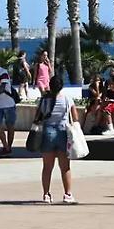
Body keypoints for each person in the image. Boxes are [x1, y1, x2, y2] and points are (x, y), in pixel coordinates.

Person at [36, 75, 79, 204]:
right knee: (65, 166)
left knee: (47, 167)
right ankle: (67, 194)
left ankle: (46, 194)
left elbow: (37, 116)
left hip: (48, 132)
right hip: (62, 132)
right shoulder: (67, 99)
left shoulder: (44, 100)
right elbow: (75, 117)